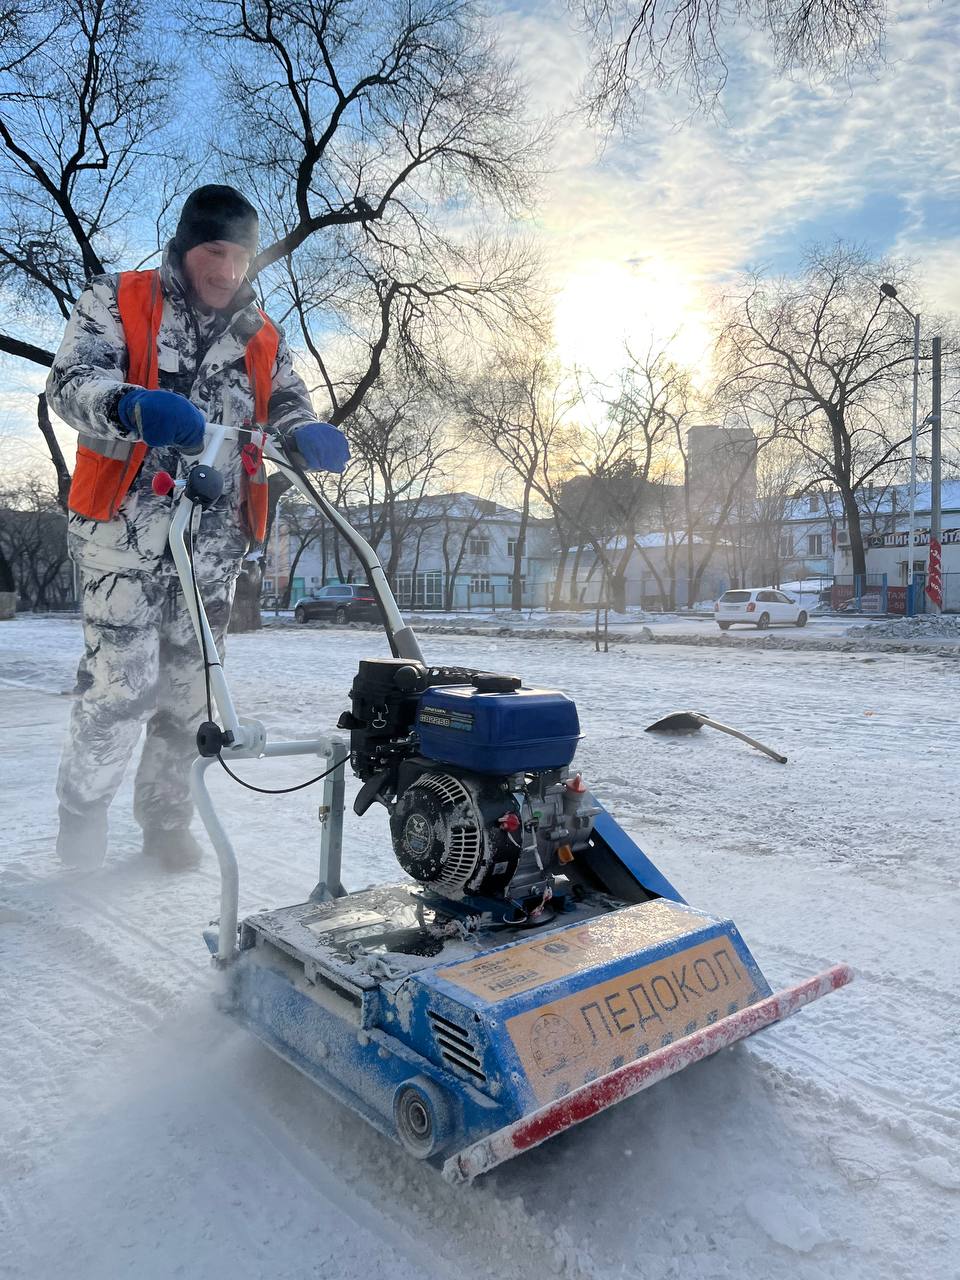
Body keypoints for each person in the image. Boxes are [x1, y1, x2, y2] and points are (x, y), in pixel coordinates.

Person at [47, 184, 349, 870]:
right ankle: (82, 816)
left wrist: (305, 436)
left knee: (192, 697)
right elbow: (69, 384)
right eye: (216, 251)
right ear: (186, 248)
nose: (228, 270)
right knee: (122, 690)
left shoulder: (262, 336)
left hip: (212, 548)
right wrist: (130, 407)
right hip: (125, 533)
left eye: (241, 257)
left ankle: (165, 821)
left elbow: (287, 410)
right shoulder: (120, 299)